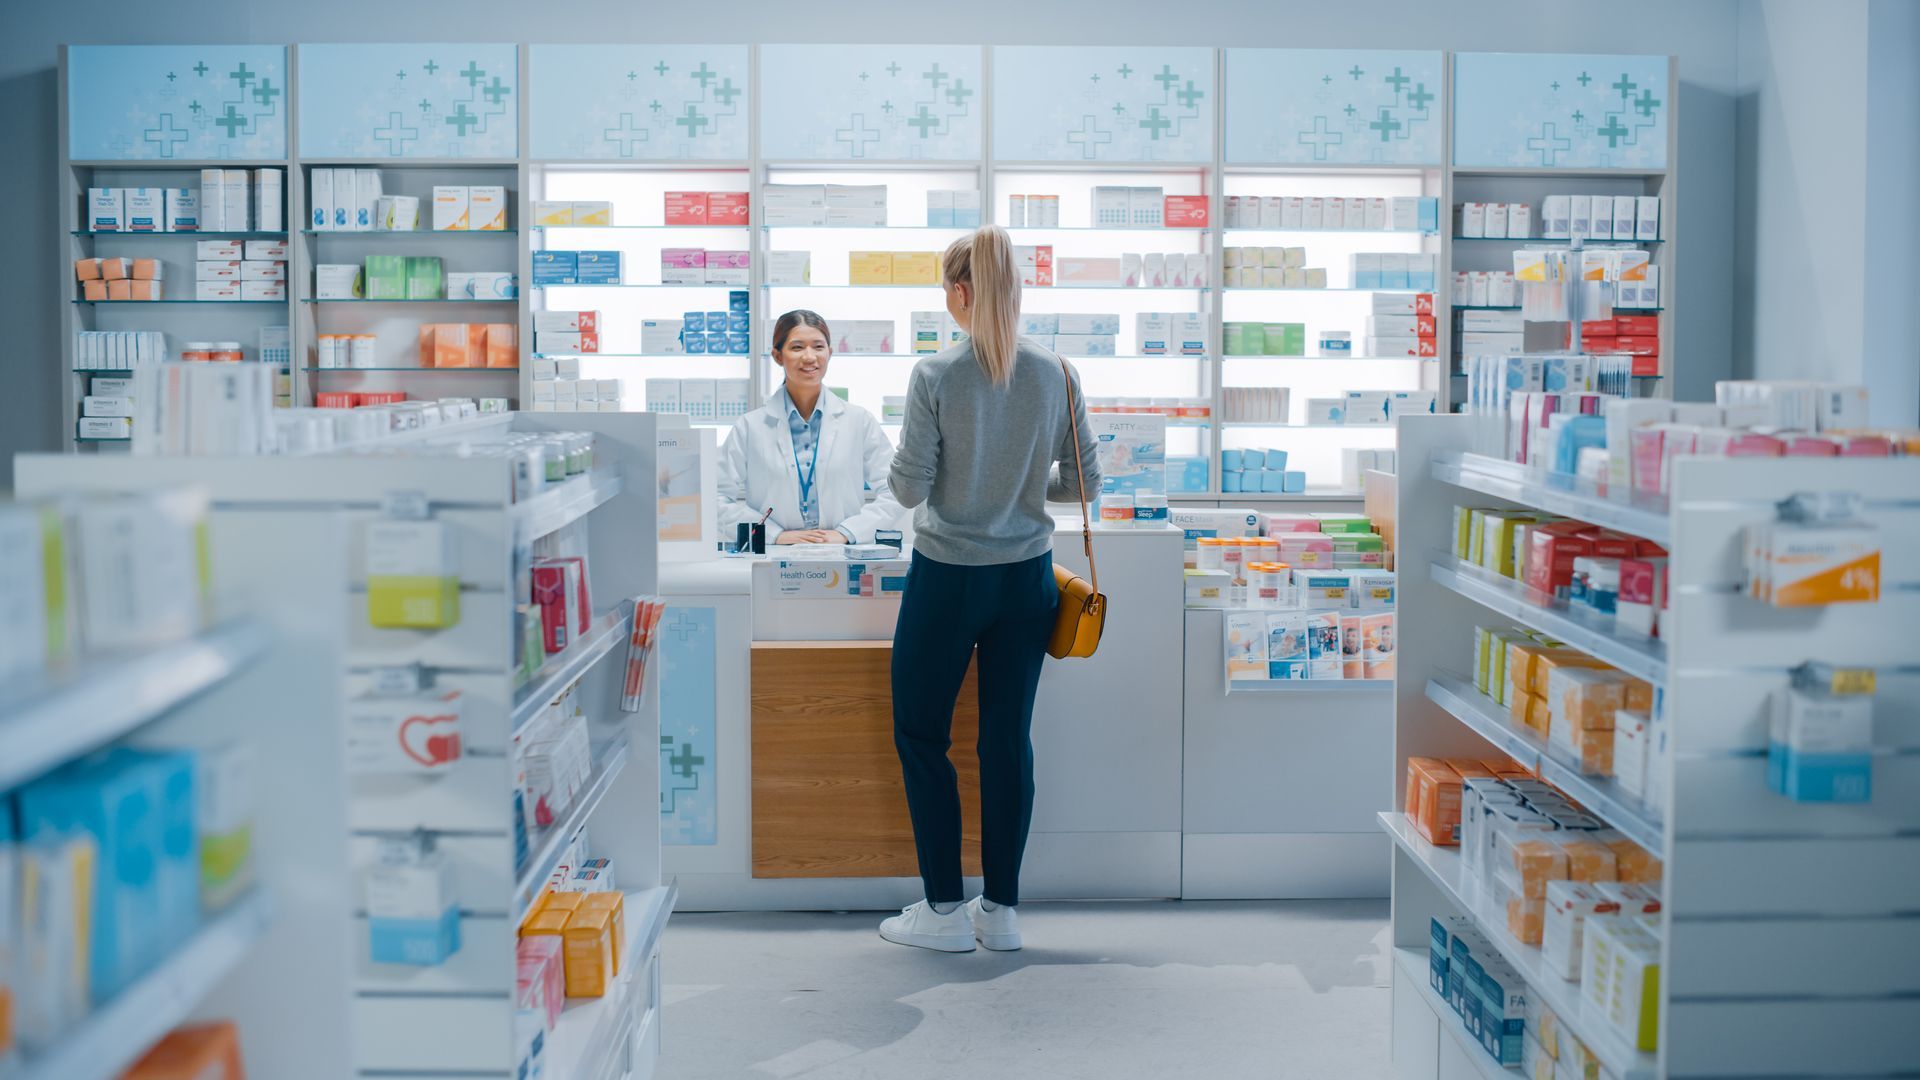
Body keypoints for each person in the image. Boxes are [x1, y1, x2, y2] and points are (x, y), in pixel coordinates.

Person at [880, 225, 1100, 953]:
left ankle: (942, 911)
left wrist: (950, 473)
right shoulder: (1057, 372)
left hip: (947, 579)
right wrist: (1019, 482)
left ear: (963, 292)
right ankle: (1000, 912)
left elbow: (909, 489)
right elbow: (1083, 484)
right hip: (1026, 581)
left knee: (921, 735)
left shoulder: (936, 374)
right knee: (1006, 741)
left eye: (947, 289)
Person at [717, 310, 902, 545]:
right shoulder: (750, 427)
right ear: (777, 356)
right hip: (775, 554)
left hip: (841, 553)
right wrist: (772, 535)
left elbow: (896, 492)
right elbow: (716, 498)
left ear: (830, 353)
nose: (809, 357)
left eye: (818, 347)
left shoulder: (859, 421)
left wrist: (848, 532)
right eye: (796, 347)